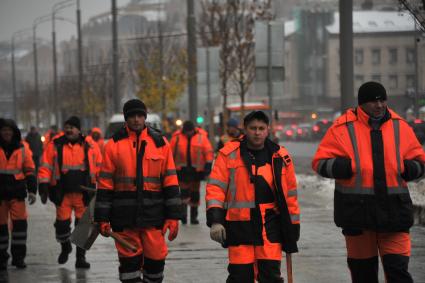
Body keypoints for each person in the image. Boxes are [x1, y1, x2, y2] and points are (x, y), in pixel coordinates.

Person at [312, 81, 425, 283]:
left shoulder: (400, 127)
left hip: (394, 215)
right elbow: (320, 163)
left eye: (382, 100)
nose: (380, 105)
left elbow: (421, 162)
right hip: (357, 217)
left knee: (399, 273)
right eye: (374, 101)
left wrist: (409, 169)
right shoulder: (341, 128)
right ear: (361, 104)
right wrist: (345, 167)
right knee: (363, 276)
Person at [206, 111, 300, 282]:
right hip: (239, 228)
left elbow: (291, 195)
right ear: (245, 129)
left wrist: (293, 227)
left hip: (270, 227)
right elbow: (215, 188)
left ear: (268, 130)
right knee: (240, 277)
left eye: (261, 128)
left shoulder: (280, 156)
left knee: (271, 276)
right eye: (253, 128)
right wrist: (216, 220)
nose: (257, 132)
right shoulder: (228, 154)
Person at [94, 99, 181, 283]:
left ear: (145, 117)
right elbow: (105, 185)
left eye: (140, 115)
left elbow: (171, 182)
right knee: (129, 270)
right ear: (126, 118)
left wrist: (173, 216)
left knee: (156, 265)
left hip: (154, 217)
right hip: (124, 219)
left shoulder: (161, 144)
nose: (136, 119)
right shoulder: (113, 146)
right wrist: (101, 218)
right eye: (132, 116)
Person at [38, 116, 102, 269]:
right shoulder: (55, 146)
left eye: (72, 127)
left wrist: (106, 188)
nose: (69, 129)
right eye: (66, 127)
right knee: (61, 226)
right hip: (62, 194)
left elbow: (101, 167)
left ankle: (81, 259)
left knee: (83, 228)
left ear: (79, 130)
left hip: (84, 196)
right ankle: (65, 247)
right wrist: (43, 185)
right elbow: (46, 167)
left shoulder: (90, 146)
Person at [0, 119, 37, 270]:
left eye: (9, 130)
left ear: (14, 132)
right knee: (1, 229)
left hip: (17, 194)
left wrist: (33, 191)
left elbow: (29, 171)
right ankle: (2, 259)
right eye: (3, 130)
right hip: (0, 196)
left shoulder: (23, 149)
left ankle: (18, 258)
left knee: (20, 228)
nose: (6, 132)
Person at [170, 120, 213, 224]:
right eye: (186, 131)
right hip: (181, 170)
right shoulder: (176, 138)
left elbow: (208, 152)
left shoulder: (201, 137)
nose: (188, 133)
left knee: (195, 194)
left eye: (189, 131)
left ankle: (194, 217)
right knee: (184, 195)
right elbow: (170, 153)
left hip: (196, 171)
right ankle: (183, 216)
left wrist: (207, 168)